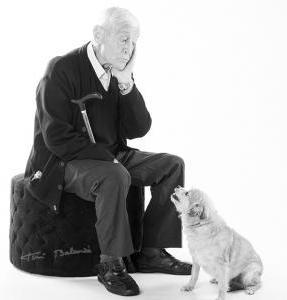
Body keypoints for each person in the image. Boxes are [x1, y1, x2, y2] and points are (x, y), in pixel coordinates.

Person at [24, 6, 191, 297]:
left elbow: (139, 128)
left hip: (111, 155)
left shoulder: (118, 73)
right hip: (65, 161)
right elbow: (56, 136)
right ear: (99, 34)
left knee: (172, 165)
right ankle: (110, 264)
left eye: (134, 42)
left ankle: (150, 253)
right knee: (114, 175)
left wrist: (127, 84)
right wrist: (109, 159)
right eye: (124, 39)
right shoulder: (62, 70)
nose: (130, 49)